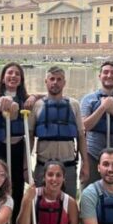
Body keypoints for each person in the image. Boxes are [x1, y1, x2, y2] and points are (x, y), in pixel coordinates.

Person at [28, 66, 89, 198]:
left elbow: (81, 136)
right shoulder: (37, 105)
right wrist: (25, 166)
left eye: (59, 79)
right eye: (52, 79)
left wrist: (85, 164)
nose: (55, 82)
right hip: (43, 165)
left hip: (68, 165)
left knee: (69, 201)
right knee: (40, 202)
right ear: (46, 81)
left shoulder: (74, 104)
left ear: (64, 82)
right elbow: (30, 137)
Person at [80, 61, 113, 187]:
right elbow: (84, 127)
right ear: (100, 76)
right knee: (90, 192)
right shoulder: (88, 99)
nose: (109, 75)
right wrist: (103, 107)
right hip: (93, 155)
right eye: (106, 72)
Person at [0, 62, 30, 224]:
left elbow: (42, 95)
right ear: (3, 78)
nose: (13, 76)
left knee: (17, 190)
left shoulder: (25, 99)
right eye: (10, 73)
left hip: (18, 148)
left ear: (21, 79)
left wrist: (35, 97)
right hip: (0, 149)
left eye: (17, 74)